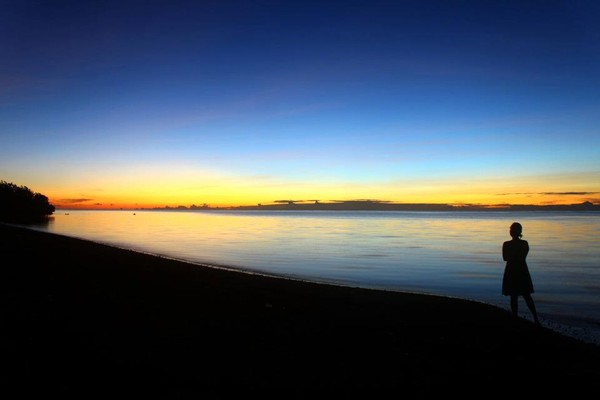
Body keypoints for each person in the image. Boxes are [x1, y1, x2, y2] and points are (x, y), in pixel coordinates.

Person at [502, 222, 540, 326]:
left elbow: (510, 257)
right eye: (510, 229)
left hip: (517, 270)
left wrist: (513, 255)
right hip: (517, 269)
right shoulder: (511, 243)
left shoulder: (522, 243)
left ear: (518, 231)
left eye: (512, 230)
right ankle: (520, 317)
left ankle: (534, 318)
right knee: (518, 296)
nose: (511, 231)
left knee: (524, 295)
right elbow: (506, 258)